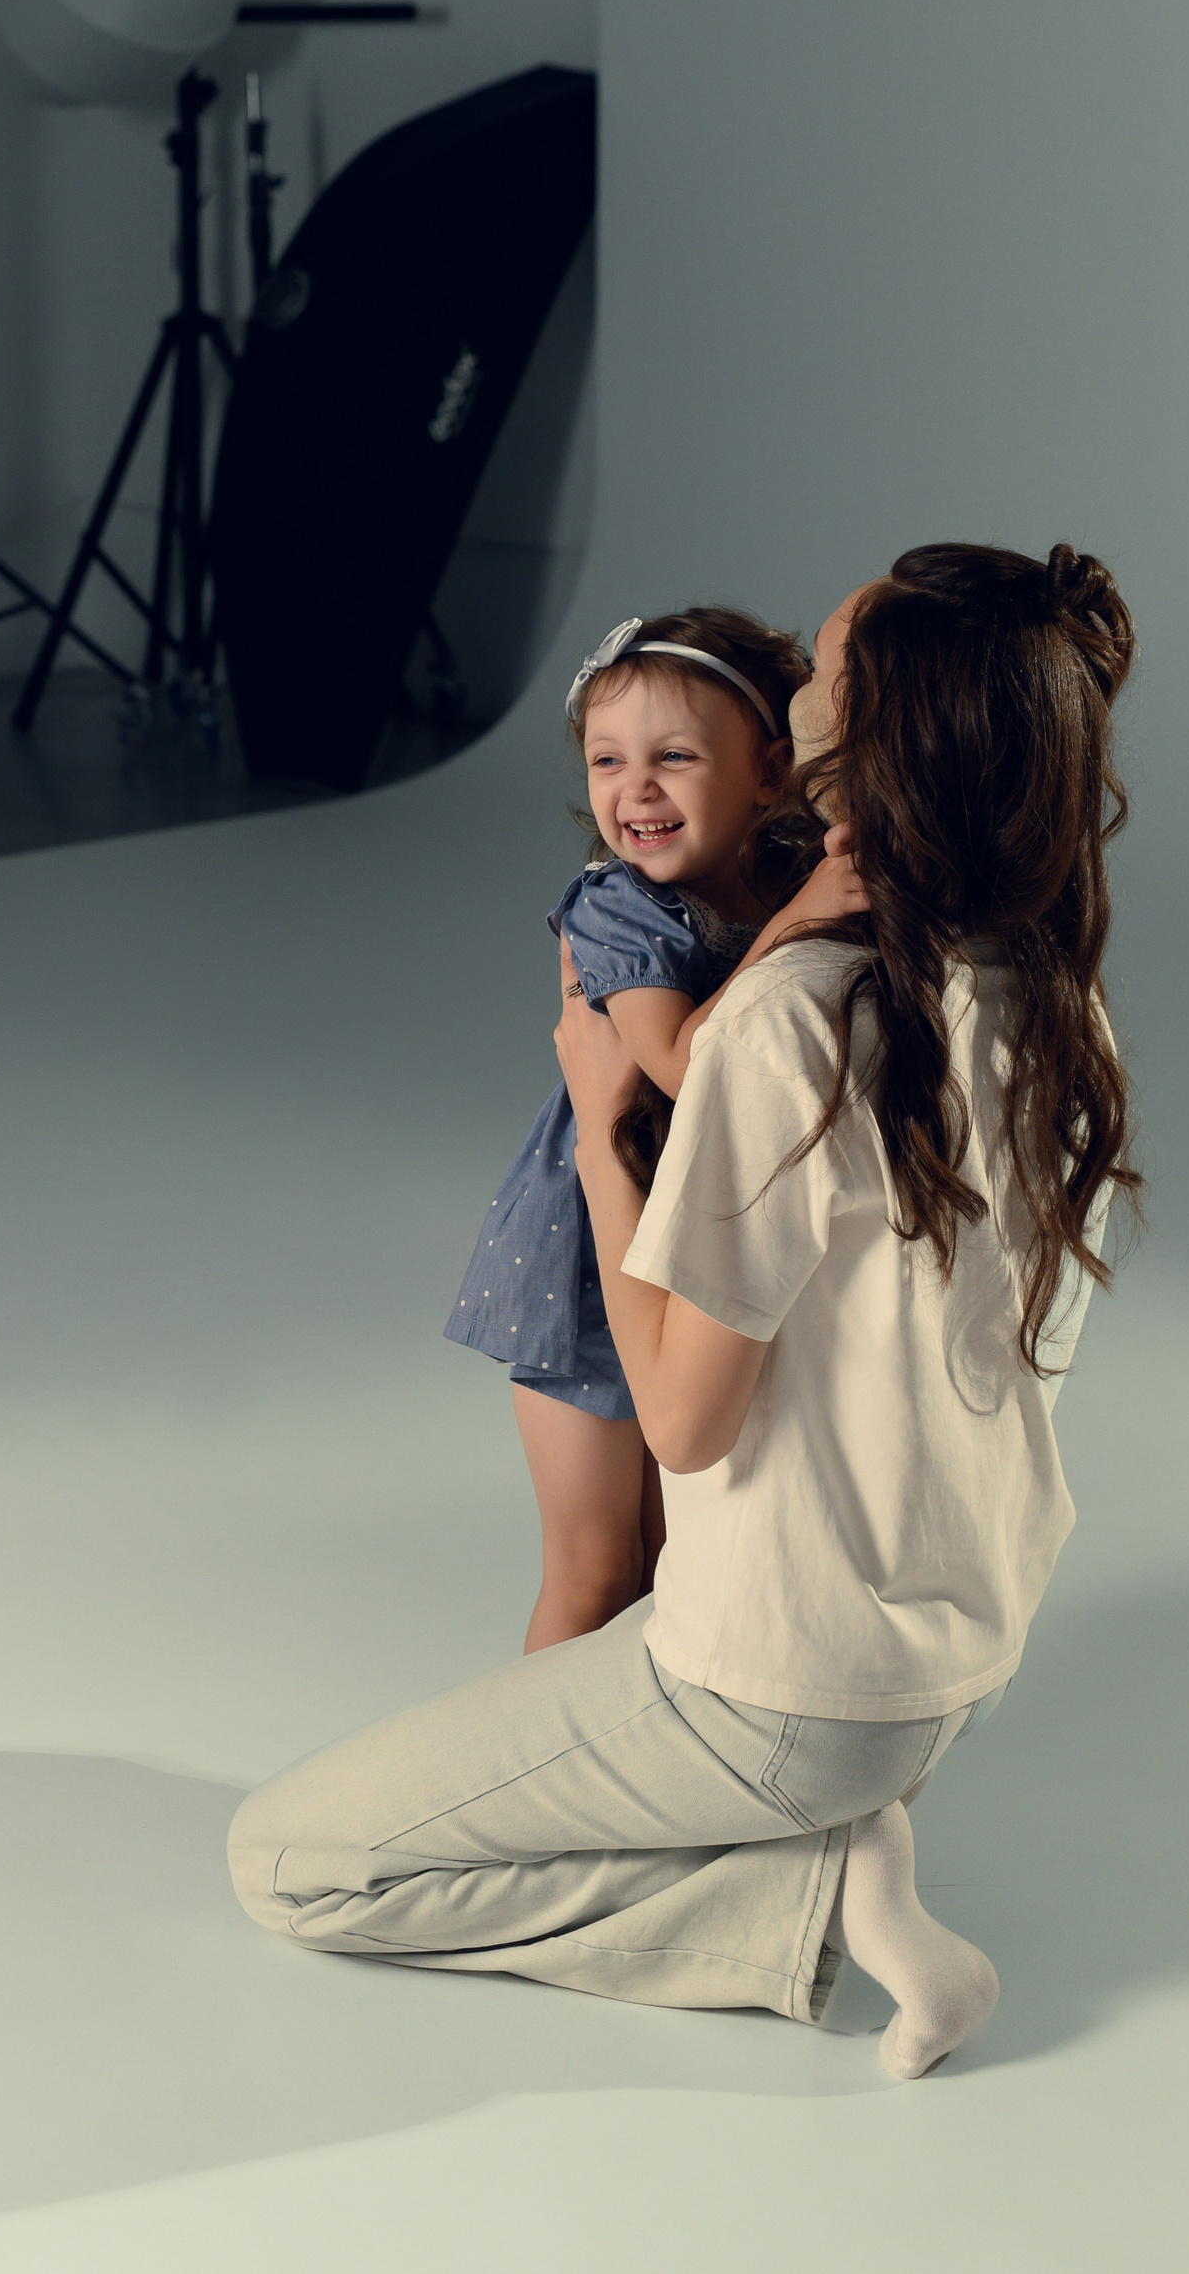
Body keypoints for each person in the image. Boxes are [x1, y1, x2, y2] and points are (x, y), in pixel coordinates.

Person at [232, 543, 1139, 2078]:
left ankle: (810, 1894)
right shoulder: (1063, 1003)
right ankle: (833, 1838)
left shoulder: (787, 1023)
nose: (798, 688)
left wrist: (603, 1130)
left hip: (785, 1694)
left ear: (863, 739)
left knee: (288, 1862)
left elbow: (680, 1420)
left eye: (823, 673)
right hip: (963, 1666)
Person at [445, 606, 866, 1650]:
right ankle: (536, 1745)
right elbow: (681, 1064)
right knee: (596, 1568)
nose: (634, 789)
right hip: (594, 1253)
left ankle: (634, 1737)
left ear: (770, 773)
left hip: (703, 1244)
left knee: (677, 1565)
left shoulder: (792, 863)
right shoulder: (618, 907)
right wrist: (806, 917)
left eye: (674, 757)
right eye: (607, 760)